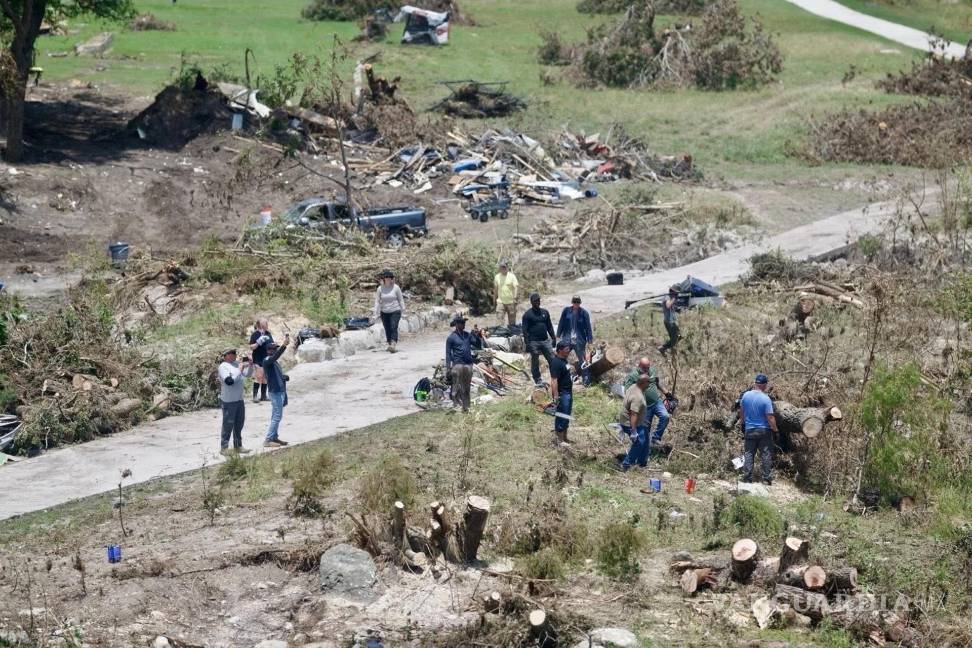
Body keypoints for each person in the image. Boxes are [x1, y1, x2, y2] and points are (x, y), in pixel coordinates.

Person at [739, 373, 777, 485]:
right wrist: (775, 430)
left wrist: (742, 423)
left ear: (755, 383)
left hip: (749, 429)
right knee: (765, 454)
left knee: (749, 453)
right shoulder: (766, 399)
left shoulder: (745, 396)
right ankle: (766, 479)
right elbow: (770, 417)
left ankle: (747, 478)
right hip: (764, 430)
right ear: (765, 385)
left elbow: (741, 411)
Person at [623, 357, 670, 445]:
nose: (646, 370)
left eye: (648, 367)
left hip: (657, 402)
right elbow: (627, 391)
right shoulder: (633, 376)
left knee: (665, 416)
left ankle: (656, 438)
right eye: (644, 368)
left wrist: (667, 393)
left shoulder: (652, 370)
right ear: (639, 366)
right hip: (644, 407)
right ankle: (644, 448)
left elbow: (656, 382)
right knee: (645, 429)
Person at [218, 347, 254, 455]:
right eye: (232, 353)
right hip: (229, 401)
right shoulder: (223, 366)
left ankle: (238, 446)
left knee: (239, 424)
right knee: (228, 424)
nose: (234, 354)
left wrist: (251, 364)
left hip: (239, 399)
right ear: (226, 355)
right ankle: (224, 448)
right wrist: (239, 370)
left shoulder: (236, 363)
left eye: (235, 352)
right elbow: (229, 381)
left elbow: (247, 374)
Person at [556, 296, 594, 386]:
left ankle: (586, 379)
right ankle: (563, 377)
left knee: (582, 360)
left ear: (580, 303)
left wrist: (590, 341)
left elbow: (588, 328)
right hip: (567, 339)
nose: (576, 304)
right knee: (563, 359)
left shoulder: (584, 313)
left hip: (579, 340)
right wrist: (558, 335)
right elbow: (561, 322)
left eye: (578, 302)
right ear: (572, 302)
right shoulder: (566, 311)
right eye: (575, 302)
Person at [263, 333, 291, 448]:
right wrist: (284, 346)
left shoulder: (273, 361)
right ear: (269, 350)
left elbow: (274, 375)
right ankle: (269, 439)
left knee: (276, 415)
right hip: (275, 392)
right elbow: (275, 357)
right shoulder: (267, 360)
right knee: (277, 416)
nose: (275, 351)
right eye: (274, 349)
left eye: (276, 349)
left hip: (279, 391)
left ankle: (274, 437)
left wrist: (283, 377)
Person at [619, 373, 651, 470]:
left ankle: (642, 462)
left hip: (638, 422)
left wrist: (643, 419)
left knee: (645, 439)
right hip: (630, 423)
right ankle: (626, 464)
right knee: (639, 442)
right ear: (643, 383)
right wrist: (633, 431)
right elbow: (633, 414)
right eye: (648, 382)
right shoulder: (638, 397)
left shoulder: (634, 387)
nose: (649, 384)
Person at [522, 292, 556, 386]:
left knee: (552, 358)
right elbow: (524, 331)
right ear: (531, 302)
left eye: (538, 300)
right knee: (535, 361)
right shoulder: (527, 315)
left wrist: (553, 338)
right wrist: (527, 344)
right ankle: (538, 380)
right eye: (535, 301)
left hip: (545, 340)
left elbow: (549, 326)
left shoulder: (545, 312)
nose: (537, 302)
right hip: (533, 342)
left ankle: (556, 376)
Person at [445, 314, 474, 412]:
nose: (463, 324)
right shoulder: (451, 338)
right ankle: (456, 404)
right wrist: (448, 368)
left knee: (467, 386)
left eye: (464, 322)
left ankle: (467, 406)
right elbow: (448, 355)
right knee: (457, 386)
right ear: (457, 324)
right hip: (457, 364)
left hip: (468, 364)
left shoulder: (468, 335)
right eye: (461, 323)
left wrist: (477, 335)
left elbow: (477, 343)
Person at [372, 268, 405, 353]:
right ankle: (390, 343)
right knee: (387, 328)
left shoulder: (396, 288)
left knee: (393, 326)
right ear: (383, 278)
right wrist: (375, 312)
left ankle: (393, 343)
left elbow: (401, 299)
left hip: (395, 310)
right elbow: (377, 301)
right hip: (384, 312)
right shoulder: (380, 288)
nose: (387, 278)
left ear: (391, 278)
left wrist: (403, 310)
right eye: (386, 277)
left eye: (389, 277)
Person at [549, 340, 574, 444]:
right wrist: (556, 396)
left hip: (568, 392)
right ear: (560, 350)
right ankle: (559, 441)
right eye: (567, 349)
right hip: (562, 394)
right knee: (561, 416)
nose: (569, 350)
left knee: (567, 415)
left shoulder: (564, 360)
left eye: (569, 349)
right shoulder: (555, 362)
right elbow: (554, 381)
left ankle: (565, 438)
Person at [249, 319, 274, 403]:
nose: (267, 324)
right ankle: (255, 396)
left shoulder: (268, 333)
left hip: (267, 358)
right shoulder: (255, 334)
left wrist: (274, 346)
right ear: (260, 325)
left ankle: (263, 396)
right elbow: (251, 347)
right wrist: (258, 342)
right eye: (265, 323)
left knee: (265, 378)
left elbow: (271, 344)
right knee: (259, 376)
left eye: (267, 323)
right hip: (258, 358)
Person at [493, 261, 519, 326]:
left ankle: (512, 334)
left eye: (504, 267)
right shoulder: (497, 277)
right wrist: (494, 299)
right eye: (501, 267)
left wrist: (515, 297)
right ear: (499, 268)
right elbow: (496, 289)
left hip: (511, 302)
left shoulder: (512, 276)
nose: (503, 268)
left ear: (507, 267)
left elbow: (516, 287)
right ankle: (500, 334)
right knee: (499, 321)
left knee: (512, 322)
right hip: (500, 302)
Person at [659, 287, 680, 355]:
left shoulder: (670, 297)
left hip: (671, 321)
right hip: (669, 322)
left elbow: (671, 308)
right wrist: (674, 298)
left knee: (677, 337)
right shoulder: (667, 297)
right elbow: (668, 305)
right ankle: (663, 348)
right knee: (675, 338)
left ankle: (672, 350)